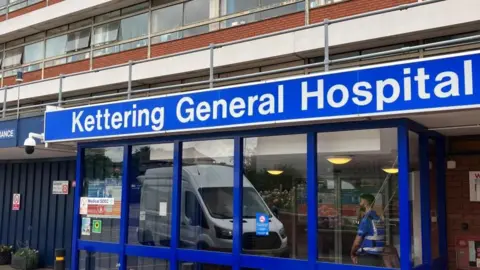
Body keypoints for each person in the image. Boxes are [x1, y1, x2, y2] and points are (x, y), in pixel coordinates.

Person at [350, 194, 385, 267]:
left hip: (367, 256)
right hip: (378, 254)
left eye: (361, 201)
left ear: (365, 203)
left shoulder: (366, 220)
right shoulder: (377, 218)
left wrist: (352, 254)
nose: (359, 204)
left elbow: (357, 242)